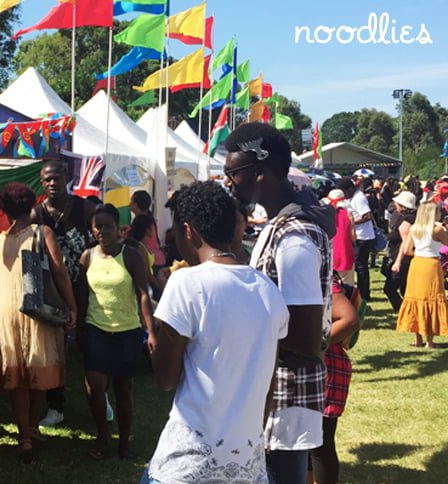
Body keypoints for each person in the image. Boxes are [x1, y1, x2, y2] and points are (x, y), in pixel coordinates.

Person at [142, 181, 289, 483]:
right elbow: (269, 383)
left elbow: (165, 379)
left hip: (188, 463)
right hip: (247, 465)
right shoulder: (269, 291)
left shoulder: (185, 284)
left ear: (188, 231)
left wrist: (156, 338)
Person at [224, 122, 335, 484]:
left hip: (286, 395)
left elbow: (304, 339)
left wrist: (239, 334)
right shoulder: (281, 223)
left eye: (233, 173)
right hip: (273, 388)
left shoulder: (295, 238)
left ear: (259, 172)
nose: (229, 182)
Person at [0, 182, 77, 462]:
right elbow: (59, 271)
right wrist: (72, 306)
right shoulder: (43, 232)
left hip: (6, 309)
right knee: (38, 368)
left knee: (18, 376)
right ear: (31, 205)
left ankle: (25, 435)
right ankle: (32, 429)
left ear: (4, 210)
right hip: (36, 308)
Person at [78, 204, 156, 460]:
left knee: (123, 389)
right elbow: (81, 297)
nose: (103, 231)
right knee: (95, 386)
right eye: (97, 226)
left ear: (118, 227)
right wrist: (78, 329)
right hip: (96, 329)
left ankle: (124, 442)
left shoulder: (132, 255)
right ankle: (103, 435)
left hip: (127, 331)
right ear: (92, 229)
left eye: (108, 226)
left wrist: (150, 330)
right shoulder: (87, 257)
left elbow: (143, 293)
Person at [32, 159, 96, 427]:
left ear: (66, 177)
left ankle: (100, 398)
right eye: (46, 180)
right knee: (55, 351)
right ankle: (55, 405)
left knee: (91, 346)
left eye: (56, 178)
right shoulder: (38, 214)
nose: (52, 184)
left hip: (88, 287)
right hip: (54, 292)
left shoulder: (84, 208)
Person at [308, 278, 360, 484]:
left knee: (320, 444)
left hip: (328, 367)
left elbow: (350, 319)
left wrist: (310, 346)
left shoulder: (326, 283)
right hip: (317, 365)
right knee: (307, 443)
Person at [392, 201, 448, 348]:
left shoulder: (414, 229)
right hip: (431, 264)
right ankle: (429, 341)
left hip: (417, 264)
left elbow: (407, 250)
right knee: (432, 298)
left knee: (416, 299)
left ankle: (417, 339)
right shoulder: (437, 230)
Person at [337, 178, 375, 301]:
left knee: (361, 267)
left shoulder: (359, 198)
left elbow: (367, 216)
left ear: (350, 188)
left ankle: (364, 294)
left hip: (363, 236)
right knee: (359, 266)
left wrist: (351, 222)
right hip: (358, 235)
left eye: (345, 192)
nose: (345, 195)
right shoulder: (353, 198)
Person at [382, 191, 417, 312]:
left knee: (391, 287)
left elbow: (405, 243)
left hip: (402, 259)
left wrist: (398, 261)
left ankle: (403, 310)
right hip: (402, 257)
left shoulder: (407, 221)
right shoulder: (408, 218)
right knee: (403, 287)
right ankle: (407, 310)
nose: (395, 204)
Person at [326, 189, 356, 286]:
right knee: (347, 287)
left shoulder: (325, 215)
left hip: (329, 254)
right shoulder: (348, 214)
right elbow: (353, 237)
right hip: (345, 254)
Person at [128, 214, 162, 296]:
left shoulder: (141, 245)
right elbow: (147, 274)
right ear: (147, 229)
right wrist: (161, 287)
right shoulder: (140, 247)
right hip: (146, 288)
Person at [130, 190, 166, 267]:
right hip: (158, 259)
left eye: (131, 201)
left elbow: (135, 242)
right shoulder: (149, 219)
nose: (129, 204)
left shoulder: (141, 221)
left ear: (136, 204)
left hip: (149, 261)